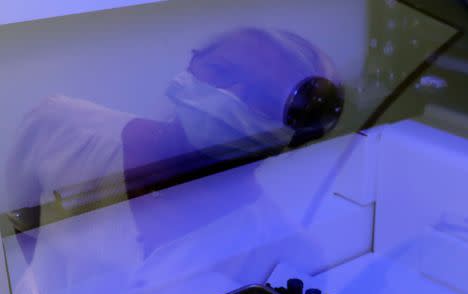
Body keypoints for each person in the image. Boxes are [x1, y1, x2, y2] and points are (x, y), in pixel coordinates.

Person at [4, 27, 343, 231]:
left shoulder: (273, 240)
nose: (230, 96)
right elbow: (20, 229)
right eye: (222, 71)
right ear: (191, 65)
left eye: (261, 96)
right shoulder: (59, 125)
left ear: (294, 132)